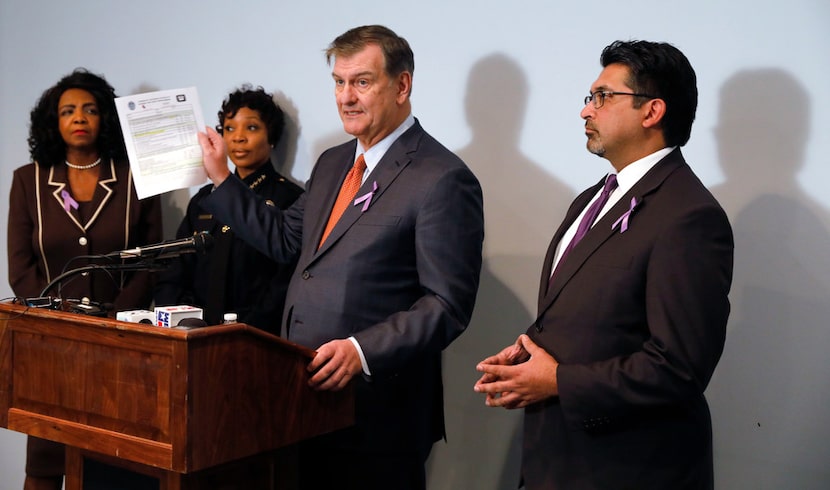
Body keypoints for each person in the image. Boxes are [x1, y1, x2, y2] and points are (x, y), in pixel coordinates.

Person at [196, 25, 484, 490]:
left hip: (378, 413)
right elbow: (288, 240)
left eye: (362, 82)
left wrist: (361, 350)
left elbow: (447, 304)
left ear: (402, 85)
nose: (346, 97)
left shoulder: (442, 178)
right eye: (338, 82)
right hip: (305, 402)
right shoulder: (333, 162)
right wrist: (221, 180)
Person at [474, 40, 734, 489]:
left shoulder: (690, 216)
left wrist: (557, 380)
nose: (586, 111)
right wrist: (528, 358)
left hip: (626, 468)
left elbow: (678, 369)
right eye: (588, 97)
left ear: (652, 112)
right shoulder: (591, 198)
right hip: (555, 460)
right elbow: (587, 316)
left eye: (602, 97)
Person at [7, 68, 162, 490]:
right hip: (51, 344)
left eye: (90, 110)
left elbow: (151, 260)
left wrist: (115, 315)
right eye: (68, 111)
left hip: (121, 341)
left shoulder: (136, 177)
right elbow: (20, 268)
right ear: (53, 122)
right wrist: (57, 317)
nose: (79, 118)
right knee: (44, 461)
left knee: (108, 463)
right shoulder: (29, 180)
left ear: (104, 119)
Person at [154, 85, 303, 331]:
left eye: (252, 127)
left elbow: (285, 285)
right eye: (229, 128)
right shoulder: (204, 198)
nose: (238, 137)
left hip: (255, 336)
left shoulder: (290, 198)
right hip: (194, 333)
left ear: (272, 137)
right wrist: (181, 321)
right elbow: (175, 268)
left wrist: (247, 329)